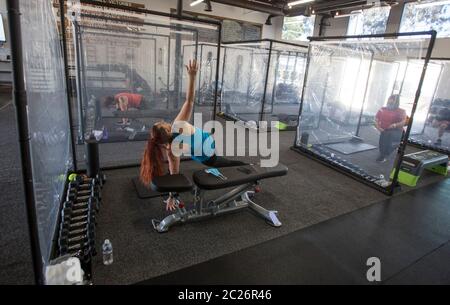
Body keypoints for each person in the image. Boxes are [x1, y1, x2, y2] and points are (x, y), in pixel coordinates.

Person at [140, 60, 247, 211]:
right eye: (162, 123)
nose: (163, 121)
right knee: (224, 163)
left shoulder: (171, 151)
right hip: (206, 148)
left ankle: (246, 168)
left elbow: (174, 175)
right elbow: (189, 101)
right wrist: (192, 76)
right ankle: (247, 167)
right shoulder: (178, 125)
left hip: (203, 152)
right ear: (168, 130)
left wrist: (172, 196)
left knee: (220, 160)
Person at [375, 94, 407, 163]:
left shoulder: (401, 111)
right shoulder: (383, 109)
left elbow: (404, 121)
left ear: (396, 103)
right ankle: (383, 154)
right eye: (389, 102)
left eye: (391, 103)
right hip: (384, 130)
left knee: (388, 136)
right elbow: (376, 119)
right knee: (384, 136)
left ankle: (384, 154)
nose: (389, 104)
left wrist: (395, 125)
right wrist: (378, 127)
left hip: (396, 131)